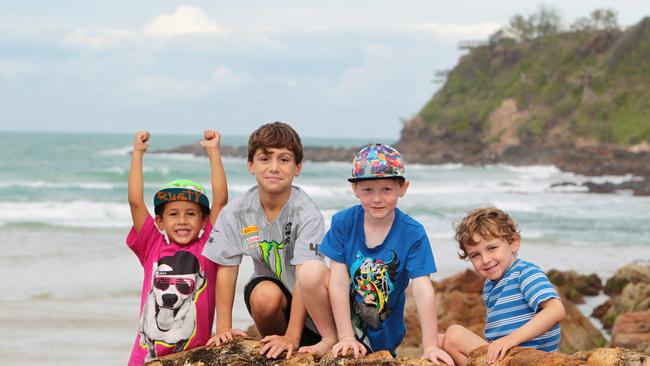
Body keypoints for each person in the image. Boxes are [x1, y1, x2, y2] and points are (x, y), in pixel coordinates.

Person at [298, 143, 454, 365]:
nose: (377, 198)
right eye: (368, 190)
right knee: (310, 270)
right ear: (355, 190)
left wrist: (430, 346)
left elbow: (422, 289)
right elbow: (339, 281)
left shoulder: (413, 233)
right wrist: (345, 337)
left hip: (382, 331)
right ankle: (329, 338)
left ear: (403, 188)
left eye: (387, 189)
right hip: (344, 323)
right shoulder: (344, 222)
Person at [202, 122, 326, 359]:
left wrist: (293, 335)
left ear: (297, 167)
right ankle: (277, 351)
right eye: (265, 158)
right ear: (251, 165)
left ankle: (293, 341)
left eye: (284, 159)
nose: (274, 167)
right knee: (263, 297)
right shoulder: (237, 211)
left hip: (313, 304)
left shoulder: (306, 212)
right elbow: (226, 268)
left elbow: (304, 278)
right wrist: (223, 328)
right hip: (274, 296)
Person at [126, 130, 227, 365]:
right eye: (173, 214)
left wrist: (213, 152)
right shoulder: (152, 244)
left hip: (192, 358)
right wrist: (138, 154)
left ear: (204, 221)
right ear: (159, 221)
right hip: (145, 360)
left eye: (191, 214)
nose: (182, 220)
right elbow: (135, 201)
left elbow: (221, 201)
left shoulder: (207, 248)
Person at [443, 207, 566, 365]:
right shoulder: (490, 285)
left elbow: (556, 310)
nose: (485, 259)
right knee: (440, 340)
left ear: (514, 242)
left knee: (454, 335)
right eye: (475, 255)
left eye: (492, 248)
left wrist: (511, 339)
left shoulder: (525, 272)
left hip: (530, 358)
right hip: (506, 356)